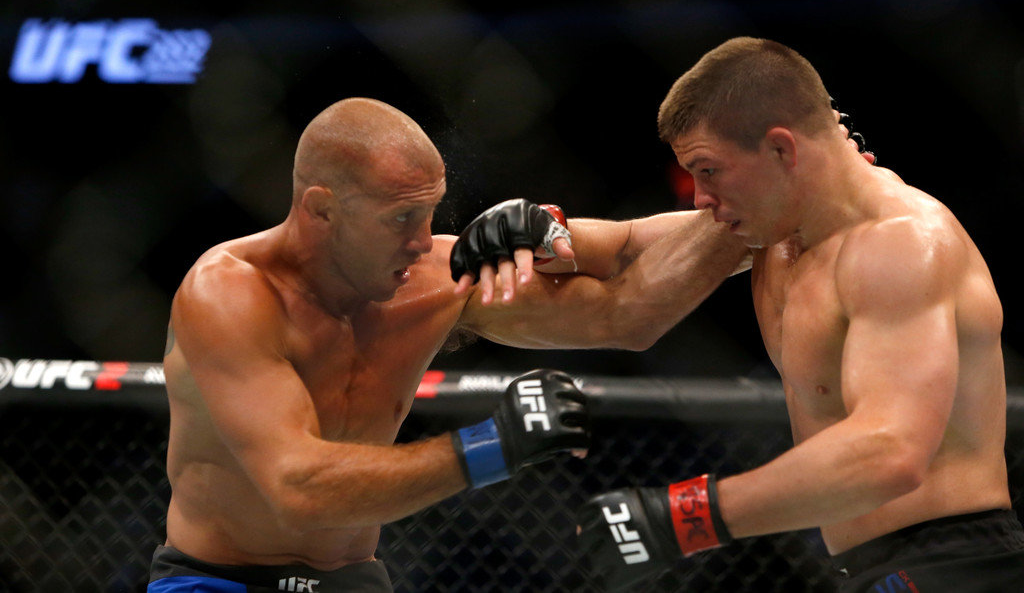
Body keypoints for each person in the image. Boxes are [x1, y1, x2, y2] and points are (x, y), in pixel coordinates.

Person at [151, 97, 750, 592]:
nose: (422, 242)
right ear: (321, 210)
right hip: (218, 581)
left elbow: (626, 297)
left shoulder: (440, 276)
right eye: (400, 218)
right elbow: (297, 487)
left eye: (430, 213)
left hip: (353, 580)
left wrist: (761, 204)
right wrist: (491, 447)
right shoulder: (230, 295)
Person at [571, 37, 1024, 592]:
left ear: (782, 150)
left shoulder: (900, 244)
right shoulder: (775, 232)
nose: (699, 198)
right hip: (868, 566)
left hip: (952, 565)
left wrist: (683, 517)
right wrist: (538, 232)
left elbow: (891, 452)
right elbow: (623, 245)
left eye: (709, 171)